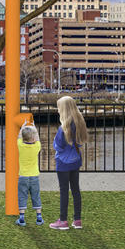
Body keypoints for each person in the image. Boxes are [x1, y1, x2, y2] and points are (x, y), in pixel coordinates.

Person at [49, 95, 87, 229]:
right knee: (76, 190)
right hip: (75, 161)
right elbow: (80, 143)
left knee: (64, 191)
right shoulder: (79, 124)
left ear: (64, 109)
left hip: (63, 164)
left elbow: (58, 146)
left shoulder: (63, 129)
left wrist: (54, 142)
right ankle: (77, 220)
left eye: (59, 108)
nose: (58, 110)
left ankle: (63, 220)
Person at [13, 121, 45, 227]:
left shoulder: (20, 145)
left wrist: (22, 127)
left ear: (23, 138)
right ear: (33, 138)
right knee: (36, 196)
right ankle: (39, 218)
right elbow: (38, 138)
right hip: (34, 176)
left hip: (23, 176)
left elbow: (18, 136)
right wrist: (34, 127)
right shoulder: (37, 146)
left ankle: (22, 218)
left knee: (22, 196)